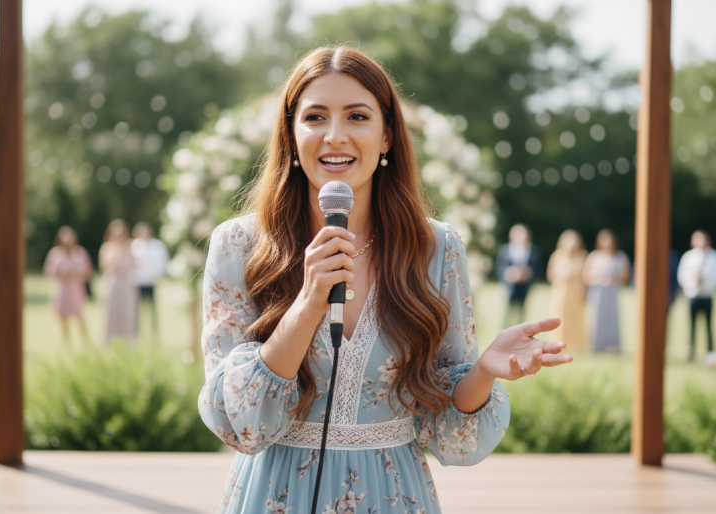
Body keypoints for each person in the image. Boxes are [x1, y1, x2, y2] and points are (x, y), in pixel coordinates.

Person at [197, 46, 573, 513]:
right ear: (291, 137)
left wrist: (482, 373)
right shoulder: (238, 245)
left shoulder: (438, 248)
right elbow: (239, 422)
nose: (335, 136)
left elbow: (447, 431)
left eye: (357, 116)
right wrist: (309, 302)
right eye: (315, 117)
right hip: (277, 494)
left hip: (393, 494)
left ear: (387, 136)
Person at [677, 230, 716, 360]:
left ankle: (711, 352)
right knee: (691, 324)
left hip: (707, 295)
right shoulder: (688, 257)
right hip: (692, 295)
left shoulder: (715, 257)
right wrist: (694, 281)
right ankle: (691, 350)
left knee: (709, 325)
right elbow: (681, 276)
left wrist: (705, 281)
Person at [43, 226, 93, 346]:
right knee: (63, 318)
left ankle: (86, 343)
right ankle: (67, 344)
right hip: (62, 289)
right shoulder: (55, 253)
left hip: (76, 289)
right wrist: (61, 274)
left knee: (80, 316)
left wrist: (76, 274)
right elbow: (48, 271)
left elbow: (88, 271)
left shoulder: (80, 253)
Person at [584, 229, 631, 354]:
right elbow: (586, 275)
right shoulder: (594, 256)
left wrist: (613, 278)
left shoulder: (620, 257)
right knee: (597, 318)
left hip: (613, 292)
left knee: (613, 319)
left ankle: (614, 347)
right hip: (598, 292)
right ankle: (597, 346)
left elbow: (626, 276)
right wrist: (599, 278)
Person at [547, 230, 587, 351]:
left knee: (576, 317)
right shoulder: (557, 255)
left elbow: (585, 276)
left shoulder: (582, 256)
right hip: (561, 292)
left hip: (576, 292)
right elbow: (550, 274)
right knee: (560, 316)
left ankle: (576, 343)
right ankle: (559, 341)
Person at [100, 219, 138, 344]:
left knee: (128, 313)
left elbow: (134, 265)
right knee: (112, 314)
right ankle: (109, 342)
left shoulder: (130, 247)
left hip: (127, 285)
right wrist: (118, 251)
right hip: (113, 284)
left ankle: (128, 342)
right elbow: (108, 266)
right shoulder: (107, 248)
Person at [495, 224, 542, 327]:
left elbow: (537, 268)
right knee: (506, 312)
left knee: (522, 312)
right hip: (509, 286)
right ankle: (505, 331)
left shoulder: (533, 250)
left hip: (525, 286)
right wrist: (510, 273)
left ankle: (522, 330)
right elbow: (499, 268)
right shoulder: (505, 249)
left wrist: (527, 273)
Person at [130, 222, 169, 339]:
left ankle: (154, 333)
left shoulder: (158, 245)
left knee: (152, 310)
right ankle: (137, 334)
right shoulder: (134, 245)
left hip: (152, 282)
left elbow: (162, 262)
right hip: (137, 282)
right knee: (136, 310)